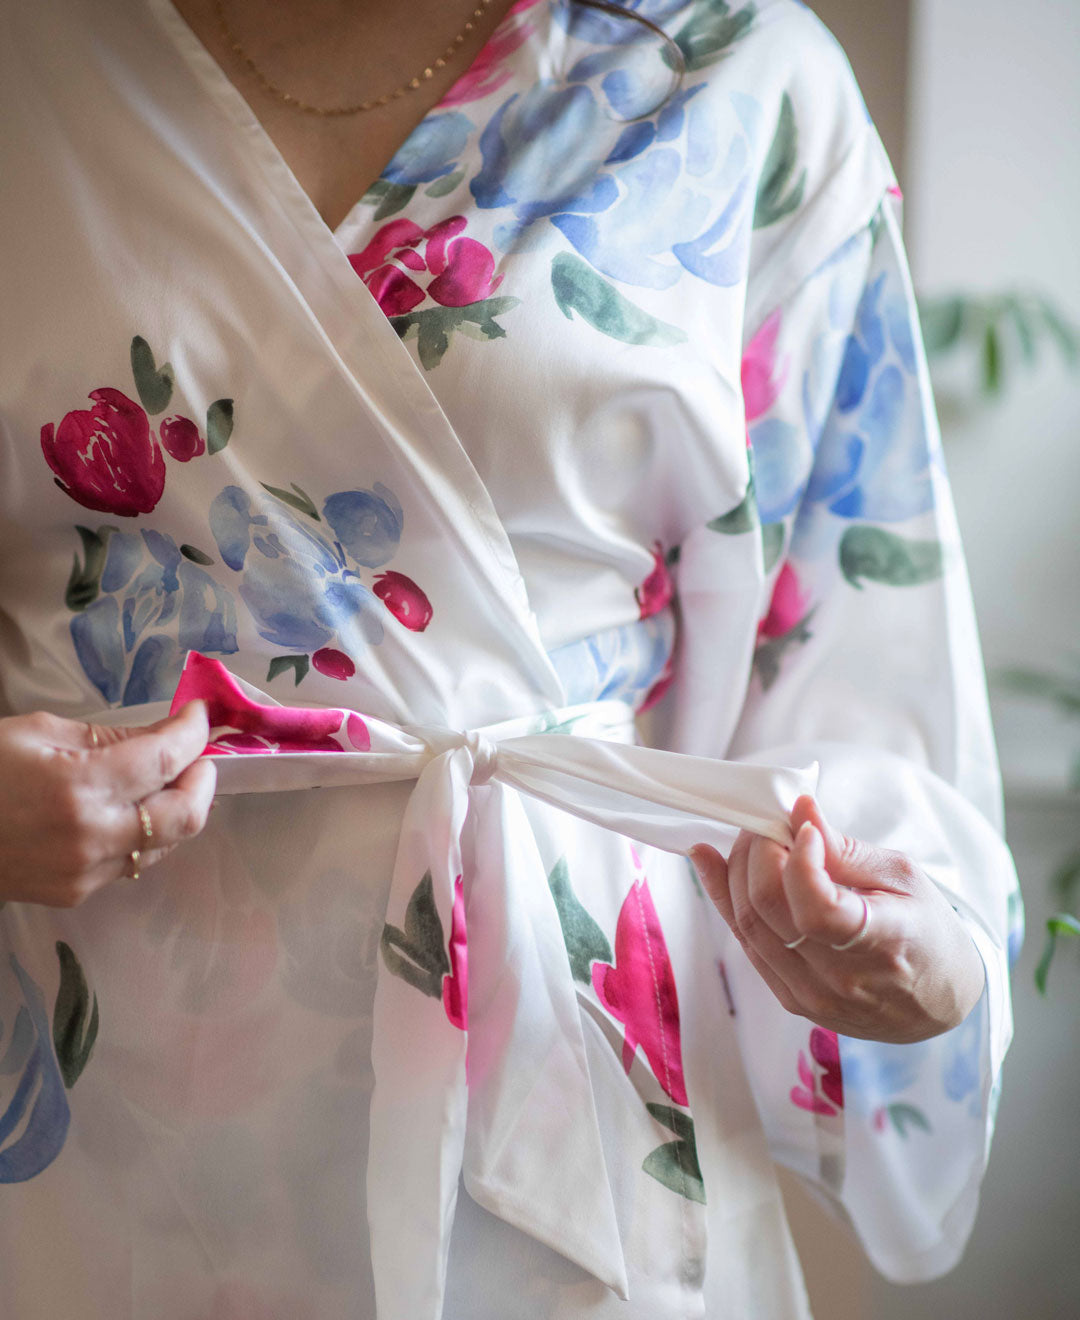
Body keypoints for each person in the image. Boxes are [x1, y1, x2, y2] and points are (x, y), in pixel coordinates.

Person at [0, 1, 1020, 1317]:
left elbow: (864, 673)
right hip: (97, 1120)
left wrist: (906, 937)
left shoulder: (738, 74)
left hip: (569, 1094)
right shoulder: (30, 63)